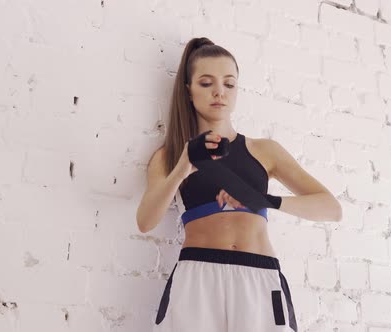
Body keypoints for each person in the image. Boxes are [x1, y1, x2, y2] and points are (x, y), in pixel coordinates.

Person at [136, 37, 343, 332]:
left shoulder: (265, 150)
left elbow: (331, 208)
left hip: (258, 278)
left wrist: (264, 201)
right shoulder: (170, 155)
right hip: (197, 278)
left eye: (229, 84)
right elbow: (145, 221)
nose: (219, 91)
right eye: (206, 83)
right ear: (189, 91)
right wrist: (182, 168)